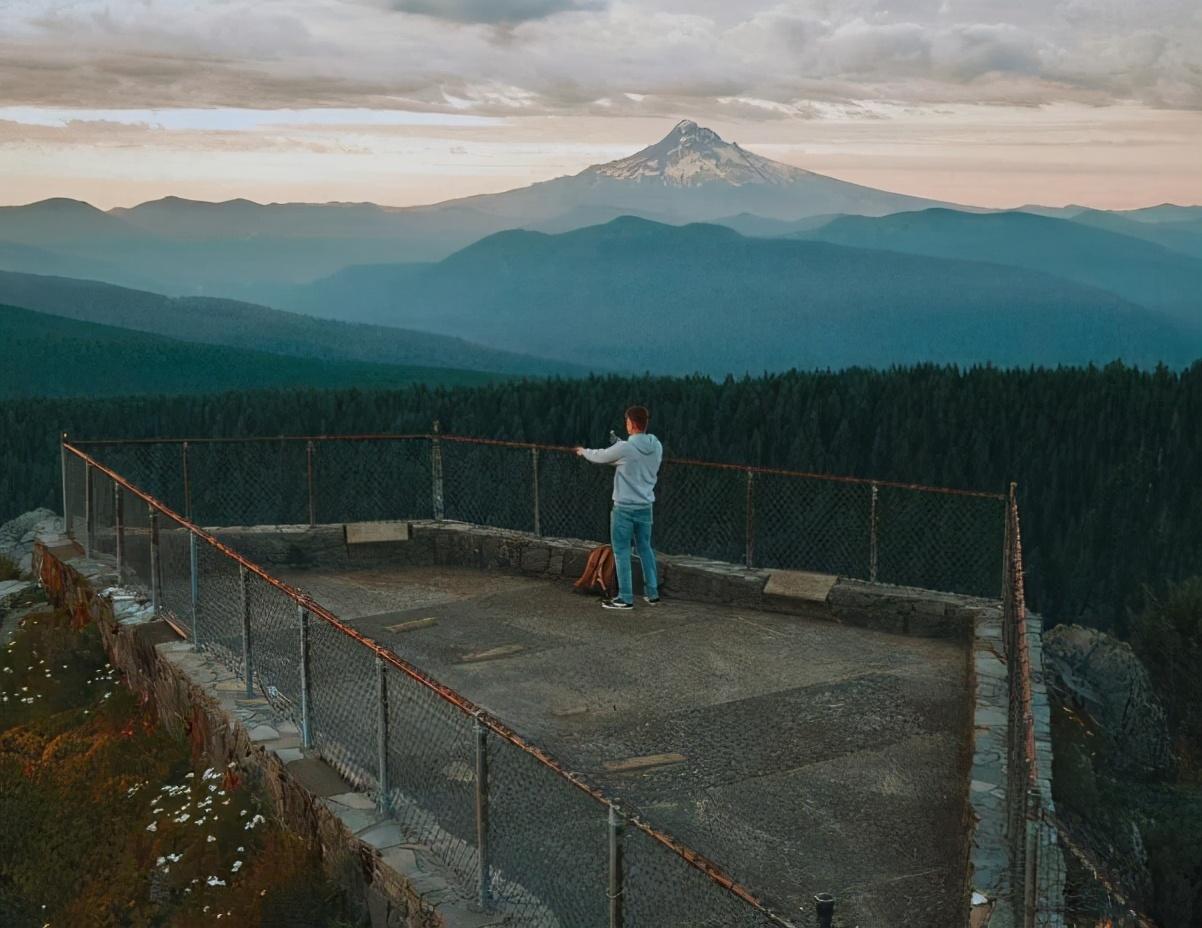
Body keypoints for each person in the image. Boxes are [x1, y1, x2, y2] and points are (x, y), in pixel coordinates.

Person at [575, 406, 663, 610]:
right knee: (645, 549)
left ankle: (625, 597)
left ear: (631, 423)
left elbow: (602, 456)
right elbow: (638, 460)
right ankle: (652, 593)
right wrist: (622, 446)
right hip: (645, 505)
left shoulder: (625, 449)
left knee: (622, 551)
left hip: (624, 507)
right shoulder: (656, 445)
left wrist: (583, 451)